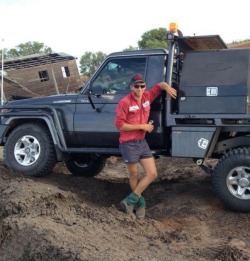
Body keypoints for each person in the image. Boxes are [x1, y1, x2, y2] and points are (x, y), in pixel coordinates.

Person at [115, 74, 177, 219]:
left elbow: (160, 85)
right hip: (128, 143)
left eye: (142, 86)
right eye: (136, 86)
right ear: (131, 87)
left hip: (142, 143)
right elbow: (120, 125)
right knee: (134, 174)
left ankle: (130, 200)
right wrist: (142, 126)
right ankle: (140, 203)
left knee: (152, 173)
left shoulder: (147, 96)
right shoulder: (125, 102)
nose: (140, 88)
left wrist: (167, 87)